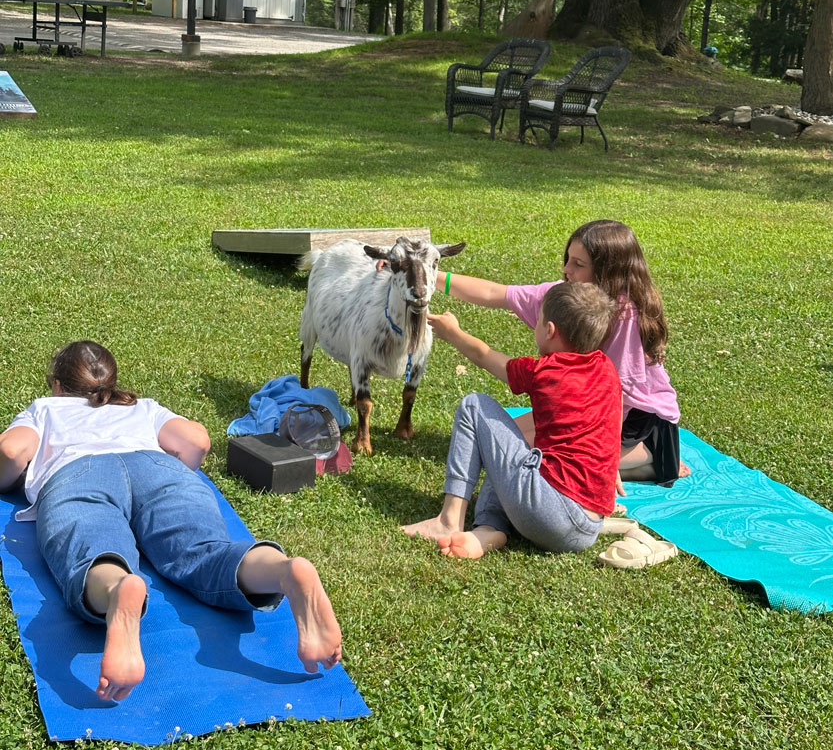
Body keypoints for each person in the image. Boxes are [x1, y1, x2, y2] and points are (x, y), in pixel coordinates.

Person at [0, 341, 342, 703]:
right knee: (206, 551)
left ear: (57, 386)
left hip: (77, 472)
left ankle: (118, 588)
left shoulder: (46, 409)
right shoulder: (139, 407)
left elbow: (10, 452)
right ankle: (282, 571)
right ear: (112, 381)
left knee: (92, 546)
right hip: (155, 465)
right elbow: (197, 442)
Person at [434, 219, 686, 490]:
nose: (566, 270)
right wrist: (428, 275)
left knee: (538, 454)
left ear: (607, 271)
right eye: (568, 259)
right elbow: (494, 292)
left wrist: (607, 456)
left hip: (635, 419)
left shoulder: (625, 314)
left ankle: (659, 458)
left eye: (578, 264)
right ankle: (639, 461)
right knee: (500, 440)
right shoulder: (565, 298)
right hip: (579, 407)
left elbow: (618, 392)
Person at [401, 281, 621, 560]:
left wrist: (452, 332)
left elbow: (483, 355)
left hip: (550, 512)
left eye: (538, 321)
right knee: (512, 445)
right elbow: (610, 419)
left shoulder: (543, 372)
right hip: (588, 527)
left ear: (550, 330)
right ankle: (490, 527)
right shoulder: (607, 368)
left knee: (475, 406)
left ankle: (448, 520)